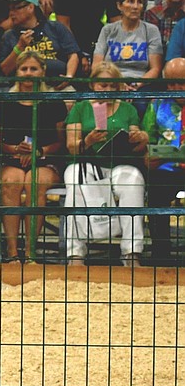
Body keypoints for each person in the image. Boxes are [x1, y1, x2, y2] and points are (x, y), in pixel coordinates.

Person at [64, 60, 150, 265]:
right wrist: (87, 141)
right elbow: (71, 146)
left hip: (120, 163)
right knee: (74, 178)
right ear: (93, 85)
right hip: (88, 163)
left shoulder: (128, 110)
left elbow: (137, 146)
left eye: (112, 85)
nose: (108, 89)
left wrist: (139, 138)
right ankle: (75, 253)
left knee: (134, 179)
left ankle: (131, 252)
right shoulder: (81, 107)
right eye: (103, 85)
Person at [0, 50, 67, 261]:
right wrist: (15, 150)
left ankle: (30, 251)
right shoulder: (5, 101)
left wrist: (39, 152)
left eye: (33, 69)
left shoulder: (54, 101)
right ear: (17, 72)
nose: (28, 73)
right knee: (12, 181)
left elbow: (61, 141)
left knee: (34, 182)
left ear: (43, 71)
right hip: (12, 158)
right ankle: (11, 252)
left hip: (46, 158)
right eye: (24, 68)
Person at [141, 56, 185, 258]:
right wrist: (148, 157)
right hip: (165, 168)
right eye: (171, 83)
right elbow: (146, 139)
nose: (176, 87)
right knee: (156, 195)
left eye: (181, 83)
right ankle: (161, 254)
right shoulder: (157, 103)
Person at [0, 0, 81, 83]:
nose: (11, 13)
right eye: (10, 9)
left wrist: (68, 77)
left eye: (16, 8)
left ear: (30, 7)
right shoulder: (9, 36)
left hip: (57, 86)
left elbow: (73, 55)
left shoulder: (55, 27)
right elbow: (5, 70)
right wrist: (19, 47)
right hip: (23, 88)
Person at [94, 0, 164, 93]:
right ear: (119, 5)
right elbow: (97, 65)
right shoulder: (108, 30)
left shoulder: (151, 30)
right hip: (111, 82)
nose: (135, 6)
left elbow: (155, 69)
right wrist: (117, 84)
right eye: (130, 1)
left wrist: (136, 85)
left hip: (141, 83)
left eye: (139, 2)